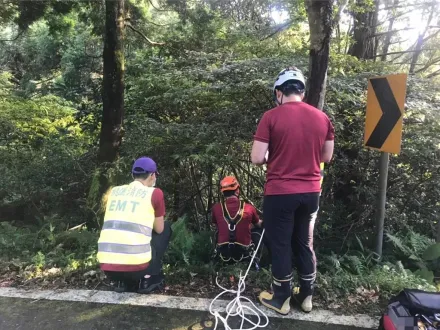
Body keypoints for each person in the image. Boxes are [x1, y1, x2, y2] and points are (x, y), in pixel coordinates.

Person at [251, 67, 335, 315]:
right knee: (304, 242)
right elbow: (327, 157)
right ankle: (307, 296)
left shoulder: (271, 117)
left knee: (280, 244)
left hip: (280, 192)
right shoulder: (322, 118)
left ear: (279, 92)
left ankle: (281, 298)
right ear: (302, 91)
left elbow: (257, 157)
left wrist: (273, 156)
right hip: (311, 193)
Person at [97, 156, 172, 294]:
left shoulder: (114, 191)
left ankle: (121, 282)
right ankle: (147, 278)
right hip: (138, 268)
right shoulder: (155, 193)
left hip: (108, 268)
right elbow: (159, 229)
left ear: (133, 175)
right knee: (165, 228)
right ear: (152, 175)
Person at [211, 176, 263, 263]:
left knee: (217, 231)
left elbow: (217, 226)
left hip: (223, 254)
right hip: (244, 255)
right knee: (258, 231)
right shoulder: (249, 207)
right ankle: (257, 260)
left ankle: (215, 259)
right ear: (237, 190)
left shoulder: (216, 208)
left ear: (223, 192)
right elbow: (259, 224)